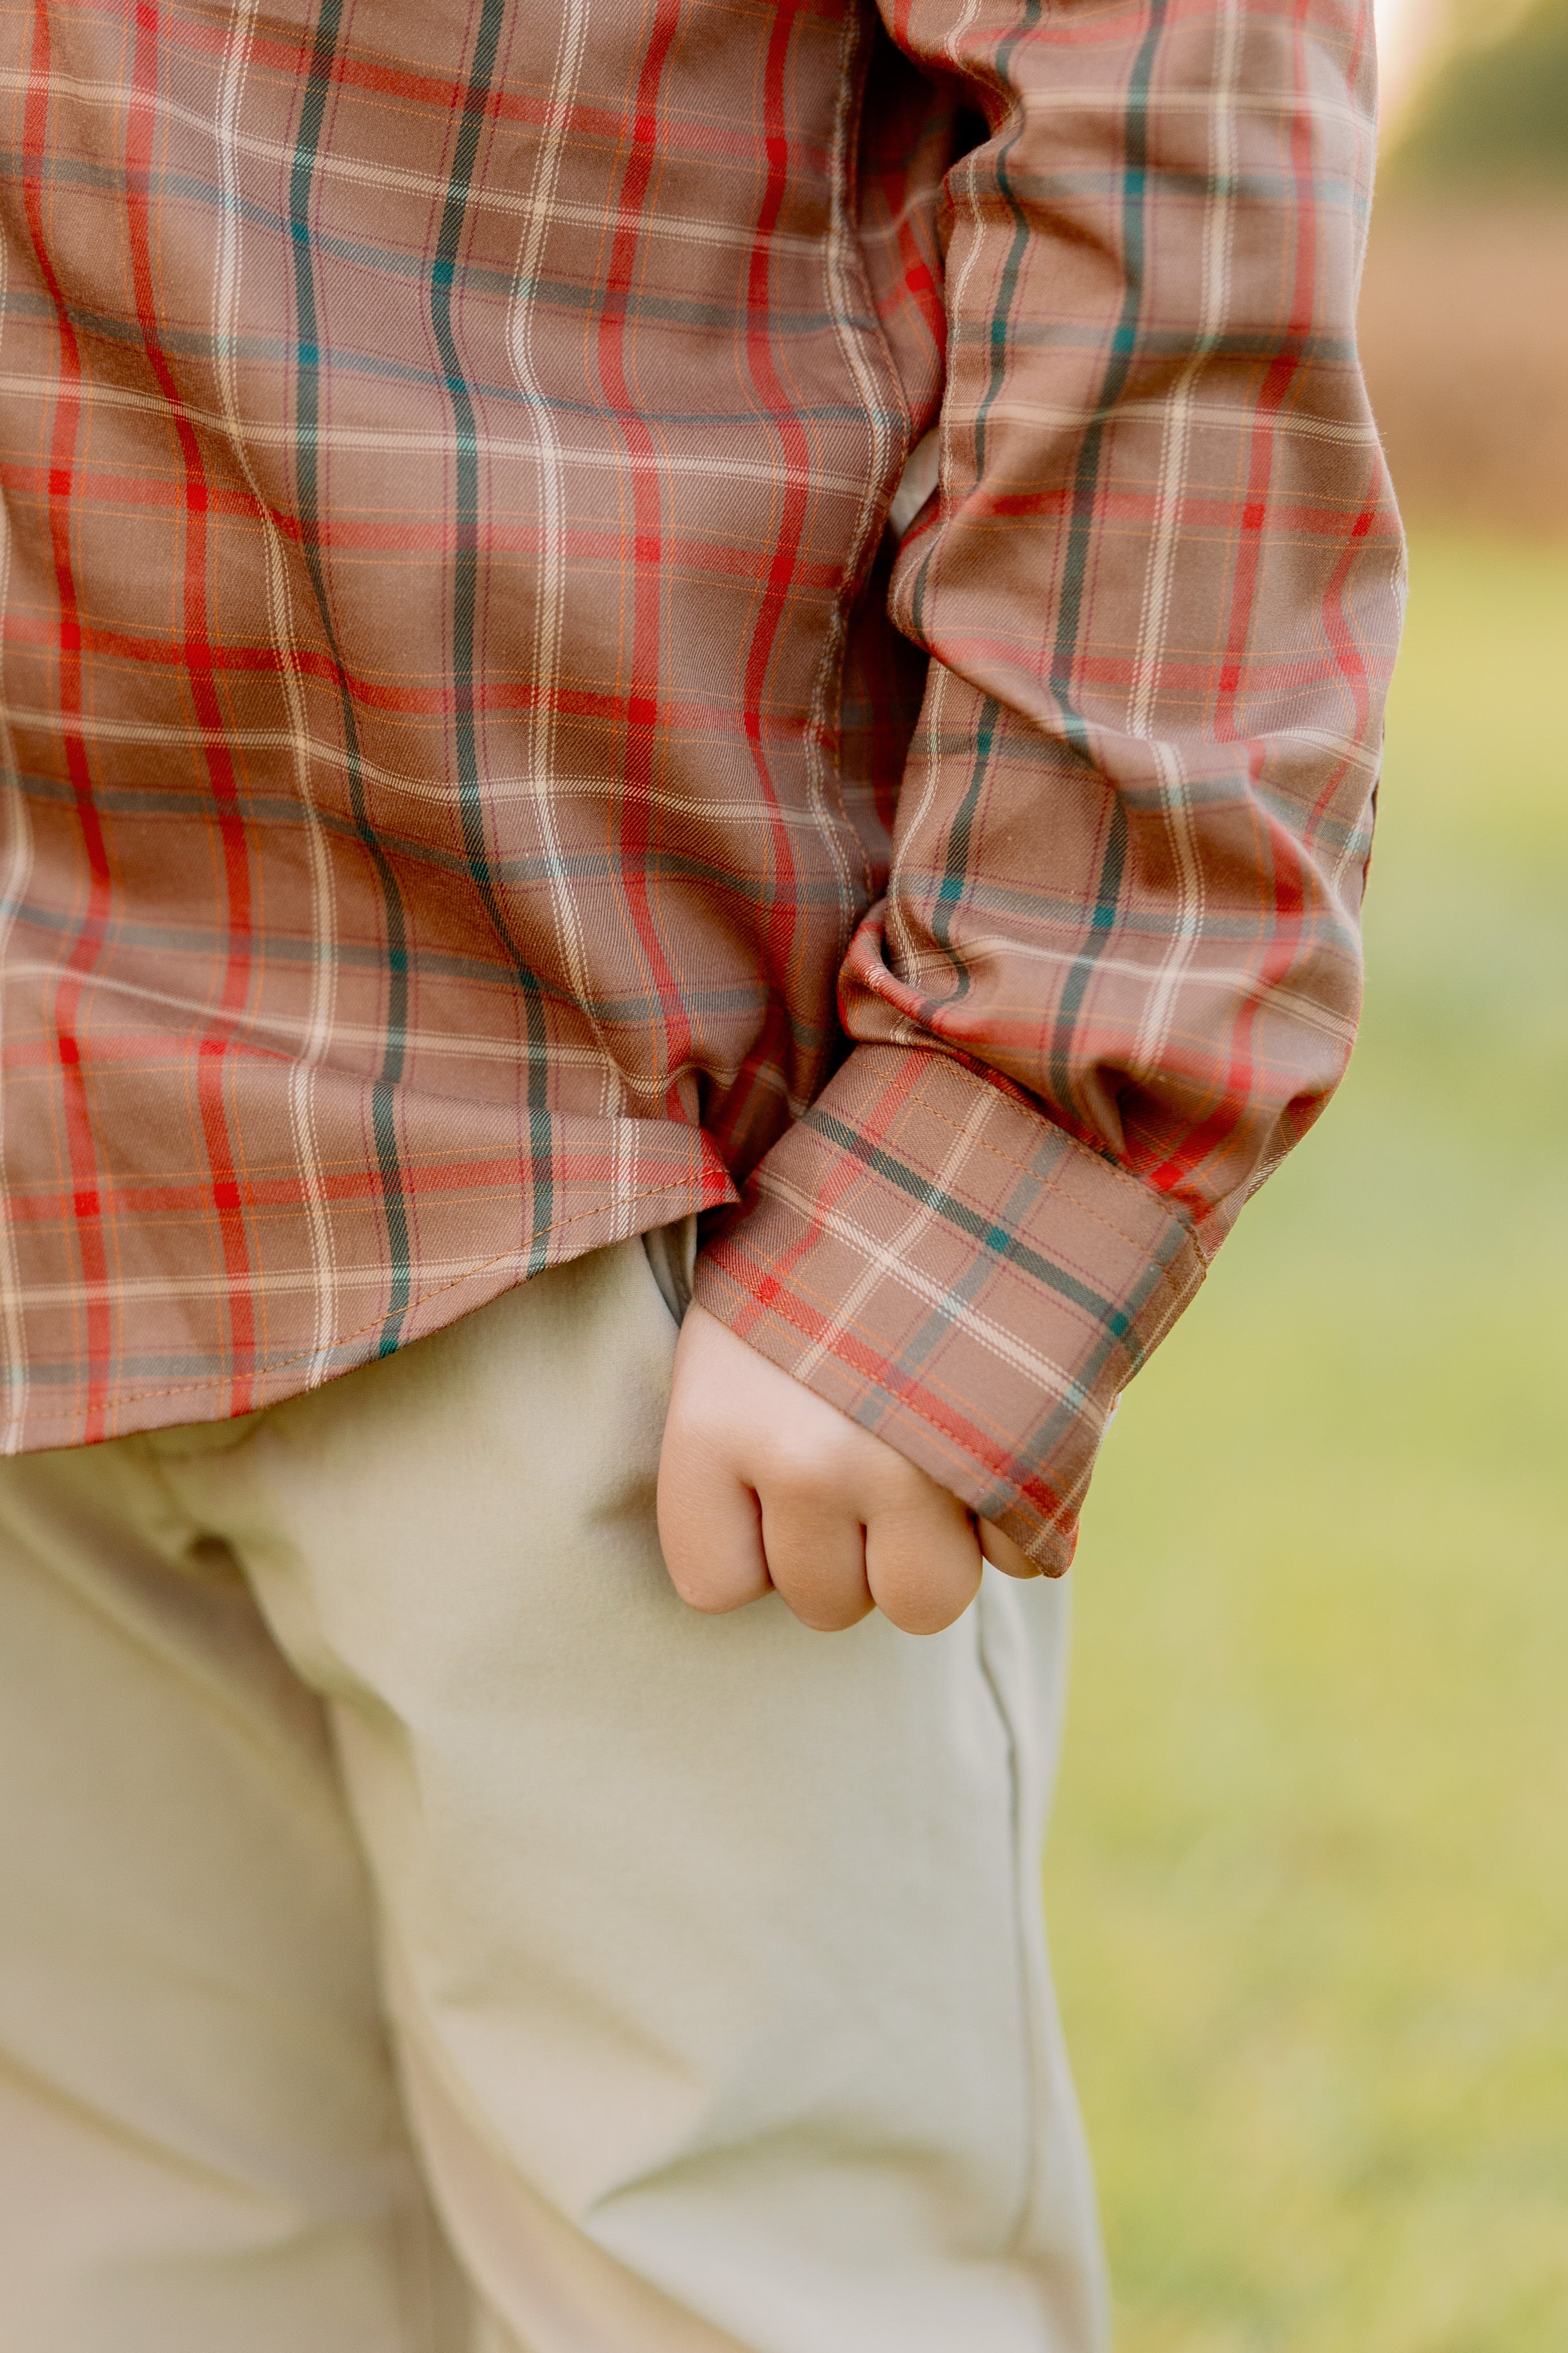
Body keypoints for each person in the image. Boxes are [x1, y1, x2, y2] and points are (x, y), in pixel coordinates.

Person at [0, 0, 1402, 2344]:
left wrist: (1007, 1117)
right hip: (57, 1178)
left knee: (757, 2293)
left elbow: (1180, 101)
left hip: (627, 1172)